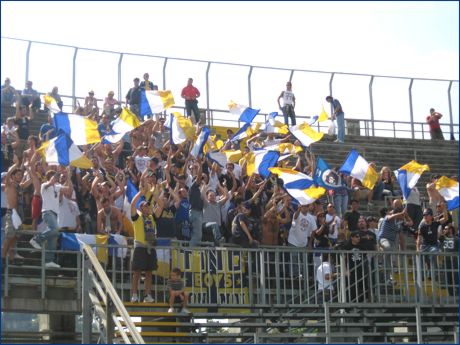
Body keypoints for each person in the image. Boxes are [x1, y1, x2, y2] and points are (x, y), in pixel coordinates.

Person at [29, 169, 73, 268]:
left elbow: (69, 190)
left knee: (54, 236)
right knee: (54, 230)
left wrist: (69, 176)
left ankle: (48, 260)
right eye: (55, 176)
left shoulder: (57, 187)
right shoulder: (44, 185)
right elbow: (51, 181)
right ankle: (36, 239)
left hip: (54, 214)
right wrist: (59, 171)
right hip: (47, 212)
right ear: (50, 177)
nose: (57, 178)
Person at [129, 184, 164, 303]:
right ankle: (134, 294)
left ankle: (147, 295)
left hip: (150, 246)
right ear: (141, 208)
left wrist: (154, 194)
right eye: (144, 205)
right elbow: (133, 204)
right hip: (139, 246)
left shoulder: (152, 217)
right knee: (137, 272)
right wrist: (140, 193)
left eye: (148, 206)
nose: (147, 207)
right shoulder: (137, 217)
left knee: (149, 272)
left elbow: (161, 205)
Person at [377, 199, 413, 285]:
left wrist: (406, 215)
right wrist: (401, 213)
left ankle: (388, 278)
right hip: (383, 239)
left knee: (389, 257)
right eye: (401, 215)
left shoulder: (399, 224)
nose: (402, 217)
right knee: (388, 250)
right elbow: (391, 217)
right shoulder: (388, 216)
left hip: (392, 242)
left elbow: (411, 223)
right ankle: (380, 260)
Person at [416, 207, 443, 281]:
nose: (424, 216)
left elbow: (445, 219)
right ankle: (421, 276)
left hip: (433, 245)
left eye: (426, 214)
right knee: (420, 256)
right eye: (424, 215)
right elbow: (419, 238)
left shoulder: (435, 223)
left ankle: (431, 275)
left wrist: (444, 209)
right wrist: (418, 249)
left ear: (431, 216)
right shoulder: (422, 226)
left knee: (433, 253)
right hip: (425, 246)